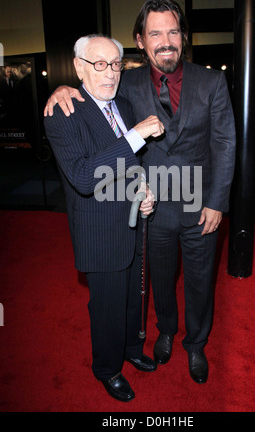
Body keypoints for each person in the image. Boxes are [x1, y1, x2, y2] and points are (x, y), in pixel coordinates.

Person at [44, 0, 236, 384]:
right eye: (155, 33)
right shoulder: (124, 83)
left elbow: (225, 143)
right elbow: (92, 99)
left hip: (201, 205)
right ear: (141, 41)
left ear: (183, 36)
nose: (166, 41)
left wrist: (217, 202)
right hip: (152, 209)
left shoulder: (212, 80)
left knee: (201, 281)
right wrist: (60, 88)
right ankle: (165, 331)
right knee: (159, 280)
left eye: (173, 31)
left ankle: (196, 344)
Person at [44, 33, 165, 402]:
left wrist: (145, 190)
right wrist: (136, 135)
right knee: (107, 306)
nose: (110, 73)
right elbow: (83, 177)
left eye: (115, 64)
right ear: (79, 67)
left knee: (131, 299)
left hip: (132, 223)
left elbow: (134, 166)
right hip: (99, 230)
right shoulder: (62, 113)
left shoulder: (124, 104)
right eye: (99, 64)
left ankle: (130, 348)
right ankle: (108, 368)